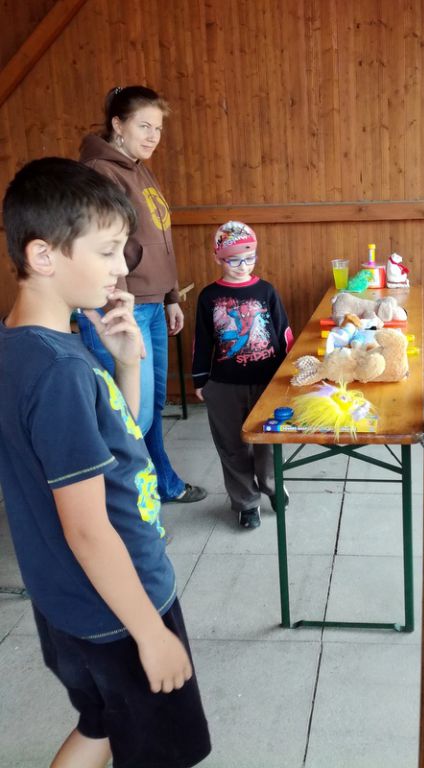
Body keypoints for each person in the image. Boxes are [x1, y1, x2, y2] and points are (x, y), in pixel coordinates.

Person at [0, 158, 210, 767]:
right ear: (43, 256)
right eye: (108, 250)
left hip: (67, 603)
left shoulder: (27, 346)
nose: (122, 268)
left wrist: (126, 362)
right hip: (119, 606)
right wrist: (150, 633)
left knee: (101, 726)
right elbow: (88, 531)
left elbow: (123, 436)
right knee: (161, 751)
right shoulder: (59, 371)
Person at [75, 85, 205, 504]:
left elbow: (158, 238)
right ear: (118, 124)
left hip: (150, 303)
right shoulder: (99, 171)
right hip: (121, 309)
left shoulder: (138, 167)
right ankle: (125, 505)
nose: (153, 136)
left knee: (151, 408)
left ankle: (161, 484)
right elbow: (102, 244)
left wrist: (171, 296)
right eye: (144, 126)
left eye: (158, 128)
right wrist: (122, 307)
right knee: (130, 414)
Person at [192, 221, 293, 529]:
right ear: (217, 258)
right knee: (231, 446)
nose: (242, 266)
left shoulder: (266, 291)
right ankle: (246, 502)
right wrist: (200, 379)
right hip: (224, 384)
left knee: (268, 440)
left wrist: (288, 374)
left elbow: (283, 332)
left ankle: (272, 485)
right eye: (233, 260)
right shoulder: (209, 296)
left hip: (267, 381)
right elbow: (202, 340)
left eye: (249, 258)